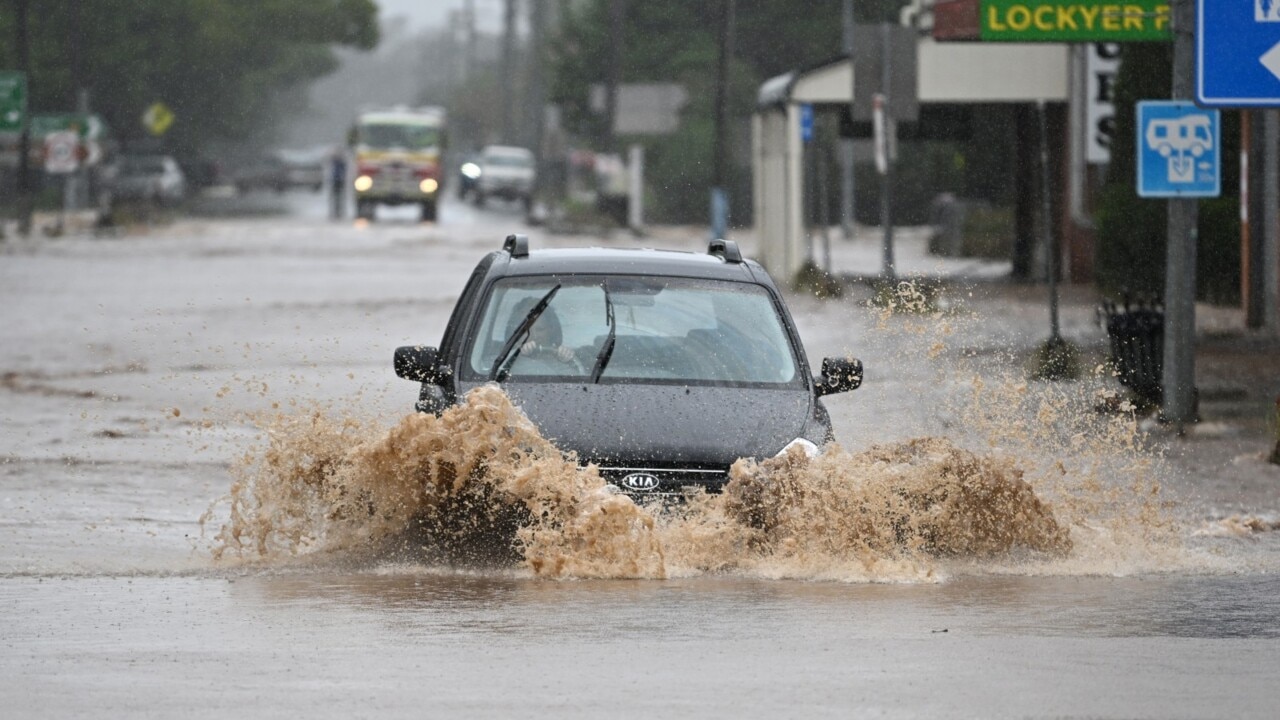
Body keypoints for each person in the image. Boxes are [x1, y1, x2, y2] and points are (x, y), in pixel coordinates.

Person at [329, 148, 347, 221]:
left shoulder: (341, 162)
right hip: (335, 181)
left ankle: (339, 211)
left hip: (339, 181)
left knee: (339, 198)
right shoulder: (335, 162)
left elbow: (343, 171)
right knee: (335, 198)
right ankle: (335, 212)